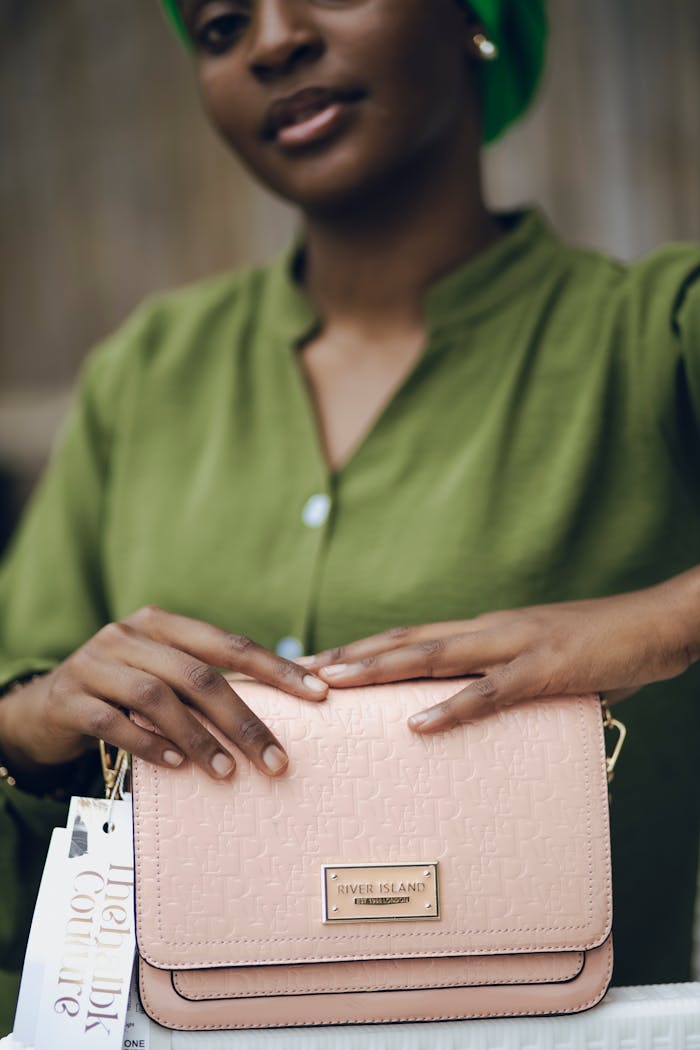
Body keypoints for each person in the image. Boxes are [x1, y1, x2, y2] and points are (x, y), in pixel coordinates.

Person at [0, 0, 699, 1031]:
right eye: (220, 25)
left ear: (476, 17)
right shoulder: (145, 374)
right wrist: (32, 722)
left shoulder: (655, 334)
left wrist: (658, 620)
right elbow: (24, 717)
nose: (274, 40)